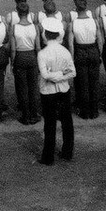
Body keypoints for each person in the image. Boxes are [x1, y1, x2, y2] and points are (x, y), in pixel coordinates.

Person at [36, 26, 75, 166]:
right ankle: (67, 152)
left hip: (48, 92)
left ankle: (48, 157)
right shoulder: (65, 52)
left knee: (50, 124)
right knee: (67, 122)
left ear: (45, 35)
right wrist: (61, 75)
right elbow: (72, 72)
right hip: (64, 90)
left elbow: (45, 75)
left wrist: (55, 76)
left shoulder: (42, 54)